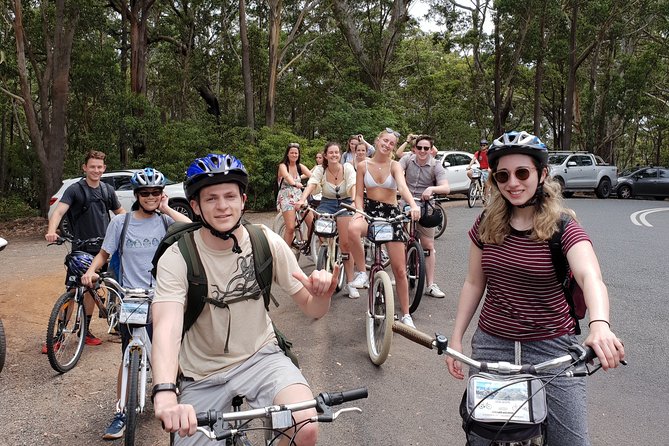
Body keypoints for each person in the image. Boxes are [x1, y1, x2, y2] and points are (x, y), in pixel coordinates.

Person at [445, 131, 625, 446]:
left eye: (522, 172)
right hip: (493, 345)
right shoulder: (487, 223)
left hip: (553, 348)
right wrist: (457, 338)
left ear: (541, 174)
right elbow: (474, 282)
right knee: (481, 438)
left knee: (572, 442)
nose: (513, 182)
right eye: (503, 175)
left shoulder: (563, 226)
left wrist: (600, 326)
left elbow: (590, 276)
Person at [151, 153, 338, 446]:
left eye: (230, 196)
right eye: (211, 198)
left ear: (243, 200)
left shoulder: (265, 241)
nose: (223, 205)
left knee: (306, 423)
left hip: (261, 358)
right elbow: (166, 326)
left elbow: (312, 309)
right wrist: (164, 391)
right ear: (195, 206)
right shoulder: (178, 257)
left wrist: (322, 296)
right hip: (201, 373)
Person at [80, 168, 190, 440]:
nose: (150, 197)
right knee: (129, 353)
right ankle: (121, 411)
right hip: (131, 297)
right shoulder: (121, 223)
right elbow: (105, 254)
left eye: (155, 192)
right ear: (137, 195)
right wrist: (92, 271)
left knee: (169, 349)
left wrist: (166, 208)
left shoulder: (166, 221)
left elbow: (191, 228)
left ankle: (169, 391)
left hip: (163, 297)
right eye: (145, 193)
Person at [44, 150, 125, 351]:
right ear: (85, 168)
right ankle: (59, 335)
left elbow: (120, 213)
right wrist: (51, 231)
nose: (96, 170)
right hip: (80, 248)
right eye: (92, 166)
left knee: (92, 289)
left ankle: (85, 331)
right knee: (73, 290)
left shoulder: (107, 190)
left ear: (104, 168)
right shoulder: (75, 190)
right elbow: (59, 211)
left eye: (99, 167)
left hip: (103, 249)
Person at [347, 128, 421, 328]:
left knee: (399, 269)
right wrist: (358, 211)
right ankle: (362, 272)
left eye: (391, 144)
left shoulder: (395, 165)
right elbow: (359, 195)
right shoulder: (362, 165)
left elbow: (403, 187)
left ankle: (405, 314)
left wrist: (413, 205)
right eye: (385, 141)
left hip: (391, 213)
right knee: (352, 229)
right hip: (369, 212)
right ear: (377, 140)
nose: (387, 145)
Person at [296, 142, 358, 297]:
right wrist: (302, 199)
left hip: (345, 203)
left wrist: (355, 201)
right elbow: (312, 184)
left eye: (337, 152)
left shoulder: (347, 168)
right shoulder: (320, 169)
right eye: (331, 153)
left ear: (340, 154)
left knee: (345, 244)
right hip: (327, 203)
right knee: (322, 234)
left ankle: (351, 283)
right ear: (325, 155)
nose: (334, 155)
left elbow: (352, 186)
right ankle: (326, 256)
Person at [398, 135, 450, 298]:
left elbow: (446, 188)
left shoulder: (436, 165)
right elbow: (396, 174)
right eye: (419, 147)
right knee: (399, 242)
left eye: (426, 148)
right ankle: (399, 275)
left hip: (426, 206)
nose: (422, 151)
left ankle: (430, 284)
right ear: (414, 148)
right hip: (406, 203)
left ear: (431, 150)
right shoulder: (407, 159)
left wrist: (431, 189)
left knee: (428, 245)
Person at [276, 143, 312, 247]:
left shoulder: (299, 166)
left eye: (296, 153)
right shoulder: (282, 166)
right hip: (286, 196)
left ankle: (309, 246)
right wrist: (295, 183)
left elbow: (312, 176)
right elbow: (287, 177)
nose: (294, 155)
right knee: (291, 227)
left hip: (299, 196)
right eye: (292, 152)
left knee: (312, 223)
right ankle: (285, 252)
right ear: (287, 154)